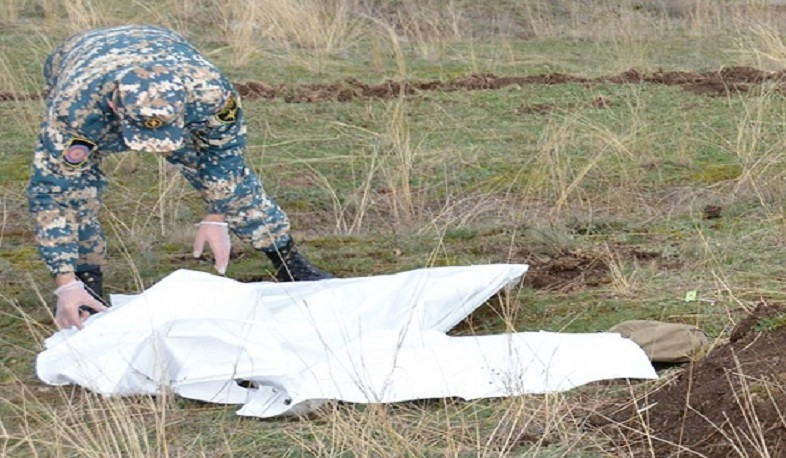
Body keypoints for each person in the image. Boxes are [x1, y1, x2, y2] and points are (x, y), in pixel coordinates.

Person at [26, 25, 334, 331]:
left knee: (235, 185)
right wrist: (65, 282)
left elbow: (224, 155)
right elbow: (54, 193)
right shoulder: (74, 110)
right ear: (113, 106)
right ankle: (85, 285)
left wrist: (217, 214)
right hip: (79, 55)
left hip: (162, 43)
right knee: (77, 195)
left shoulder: (210, 93)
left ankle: (288, 260)